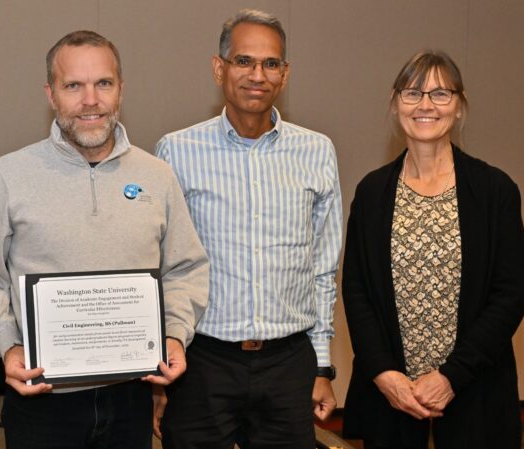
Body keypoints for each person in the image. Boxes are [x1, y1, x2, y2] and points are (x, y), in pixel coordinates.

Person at [0, 30, 209, 449]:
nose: (90, 100)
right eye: (73, 85)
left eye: (103, 84)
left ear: (121, 90)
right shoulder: (8, 175)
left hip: (131, 396)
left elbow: (186, 268)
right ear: (51, 94)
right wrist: (8, 344)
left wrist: (174, 334)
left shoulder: (157, 176)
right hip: (43, 400)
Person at [154, 9, 343, 449]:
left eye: (271, 63)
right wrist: (159, 377)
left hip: (288, 362)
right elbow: (162, 268)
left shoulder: (317, 151)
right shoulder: (175, 150)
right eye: (244, 61)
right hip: (202, 362)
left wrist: (321, 367)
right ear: (219, 68)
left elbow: (322, 270)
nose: (257, 74)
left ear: (285, 73)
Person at [341, 50, 524, 449]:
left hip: (474, 388)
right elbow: (357, 292)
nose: (425, 105)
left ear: (459, 106)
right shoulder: (372, 192)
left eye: (441, 94)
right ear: (395, 104)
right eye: (412, 93)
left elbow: (510, 294)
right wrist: (383, 374)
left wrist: (451, 377)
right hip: (392, 394)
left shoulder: (495, 191)